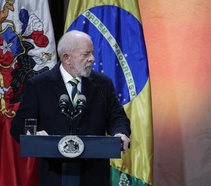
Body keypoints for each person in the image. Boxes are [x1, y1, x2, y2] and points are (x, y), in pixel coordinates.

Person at [10, 30, 131, 186]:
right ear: (66, 58)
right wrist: (34, 133)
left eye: (92, 53)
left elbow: (117, 116)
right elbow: (18, 125)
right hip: (55, 174)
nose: (92, 58)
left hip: (94, 174)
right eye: (86, 54)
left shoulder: (103, 83)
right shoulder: (39, 85)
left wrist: (120, 132)